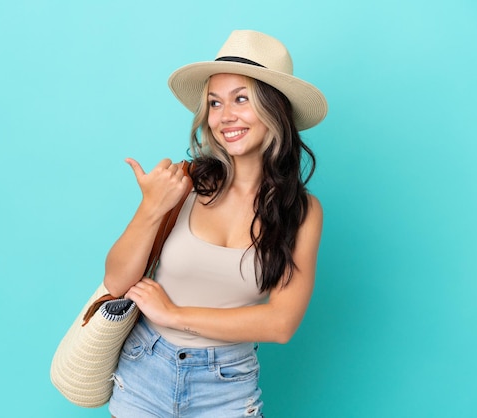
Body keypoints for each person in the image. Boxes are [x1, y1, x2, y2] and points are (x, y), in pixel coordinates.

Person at [104, 30, 327, 417]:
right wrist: (151, 208)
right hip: (145, 370)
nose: (226, 116)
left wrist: (175, 315)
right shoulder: (184, 183)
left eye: (242, 98)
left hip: (226, 385)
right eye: (214, 103)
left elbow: (281, 323)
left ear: (275, 109)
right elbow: (116, 283)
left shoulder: (302, 212)